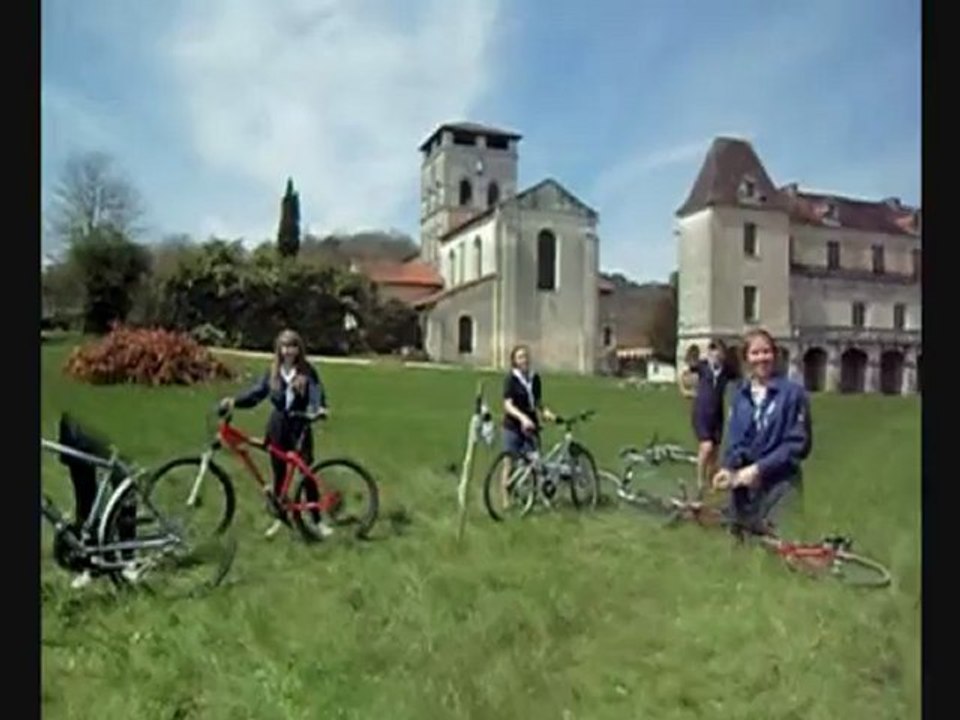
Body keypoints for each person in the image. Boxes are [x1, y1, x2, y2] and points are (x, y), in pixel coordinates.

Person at [219, 329, 330, 539]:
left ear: (299, 349)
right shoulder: (273, 372)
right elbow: (257, 394)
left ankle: (317, 520)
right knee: (279, 473)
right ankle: (281, 517)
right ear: (279, 349)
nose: (288, 351)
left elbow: (316, 392)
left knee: (306, 472)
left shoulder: (307, 371)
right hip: (278, 424)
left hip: (300, 424)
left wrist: (318, 408)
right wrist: (235, 401)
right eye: (285, 347)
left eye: (293, 346)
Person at [712, 328, 812, 537]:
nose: (762, 358)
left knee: (782, 554)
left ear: (775, 355)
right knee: (743, 558)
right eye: (755, 353)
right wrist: (728, 469)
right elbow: (734, 439)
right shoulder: (740, 395)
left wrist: (759, 469)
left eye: (766, 352)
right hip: (744, 493)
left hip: (781, 488)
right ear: (746, 358)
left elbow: (797, 445)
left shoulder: (792, 394)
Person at [500, 345, 555, 508]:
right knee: (509, 462)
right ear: (515, 361)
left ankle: (532, 495)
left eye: (526, 356)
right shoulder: (511, 379)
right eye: (520, 357)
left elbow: (537, 401)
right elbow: (507, 405)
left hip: (531, 426)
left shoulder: (534, 378)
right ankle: (506, 499)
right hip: (513, 426)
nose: (524, 360)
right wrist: (522, 418)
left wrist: (545, 412)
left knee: (534, 461)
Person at [689, 340, 733, 496]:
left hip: (717, 414)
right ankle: (700, 481)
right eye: (712, 351)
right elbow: (685, 372)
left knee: (714, 452)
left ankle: (709, 483)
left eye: (718, 351)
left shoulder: (726, 370)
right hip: (701, 412)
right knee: (706, 447)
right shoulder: (702, 366)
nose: (715, 354)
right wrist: (685, 390)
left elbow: (740, 382)